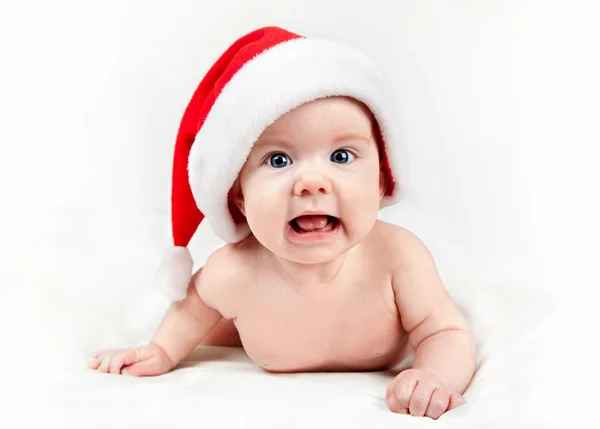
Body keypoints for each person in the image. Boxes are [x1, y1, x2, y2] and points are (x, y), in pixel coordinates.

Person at [88, 26, 476, 419]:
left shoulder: (398, 258)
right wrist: (160, 351)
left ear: (381, 179)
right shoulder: (233, 271)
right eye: (278, 160)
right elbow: (191, 309)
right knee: (214, 325)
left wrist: (433, 376)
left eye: (341, 156)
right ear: (238, 195)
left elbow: (446, 332)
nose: (310, 183)